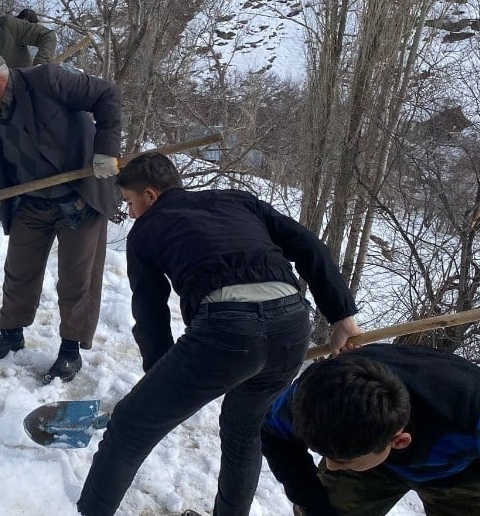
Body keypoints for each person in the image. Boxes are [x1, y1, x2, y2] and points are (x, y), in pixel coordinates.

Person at [77, 152, 361, 516]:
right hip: (291, 325)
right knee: (244, 433)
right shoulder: (238, 200)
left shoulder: (145, 231)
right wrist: (342, 316)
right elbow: (309, 246)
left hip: (227, 328)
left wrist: (159, 375)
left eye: (130, 203)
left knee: (129, 429)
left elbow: (150, 312)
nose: (130, 213)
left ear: (149, 195)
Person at [0, 45, 120, 384]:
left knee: (77, 278)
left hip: (79, 197)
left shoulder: (47, 80)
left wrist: (106, 152)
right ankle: (11, 333)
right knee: (18, 271)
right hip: (31, 201)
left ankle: (70, 349)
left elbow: (107, 95)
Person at [261, 344, 480, 516]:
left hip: (475, 476)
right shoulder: (310, 395)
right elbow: (273, 435)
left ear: (399, 441)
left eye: (341, 462)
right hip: (367, 450)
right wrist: (313, 501)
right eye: (325, 455)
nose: (329, 466)